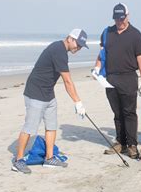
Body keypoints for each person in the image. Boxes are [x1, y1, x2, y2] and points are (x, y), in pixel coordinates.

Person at [11, 29, 89, 174]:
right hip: (35, 93)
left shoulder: (62, 51)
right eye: (77, 44)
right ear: (70, 39)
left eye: (81, 46)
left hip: (48, 94)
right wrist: (78, 103)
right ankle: (18, 160)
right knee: (30, 128)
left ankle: (49, 158)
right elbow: (67, 81)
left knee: (52, 126)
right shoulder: (58, 50)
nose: (78, 48)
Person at [93, 3, 141, 159]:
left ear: (127, 16)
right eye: (116, 19)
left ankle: (131, 145)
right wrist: (97, 68)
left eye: (122, 18)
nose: (119, 22)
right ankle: (120, 142)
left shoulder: (135, 34)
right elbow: (102, 53)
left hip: (128, 77)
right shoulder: (107, 32)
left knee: (129, 112)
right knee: (117, 113)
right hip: (110, 78)